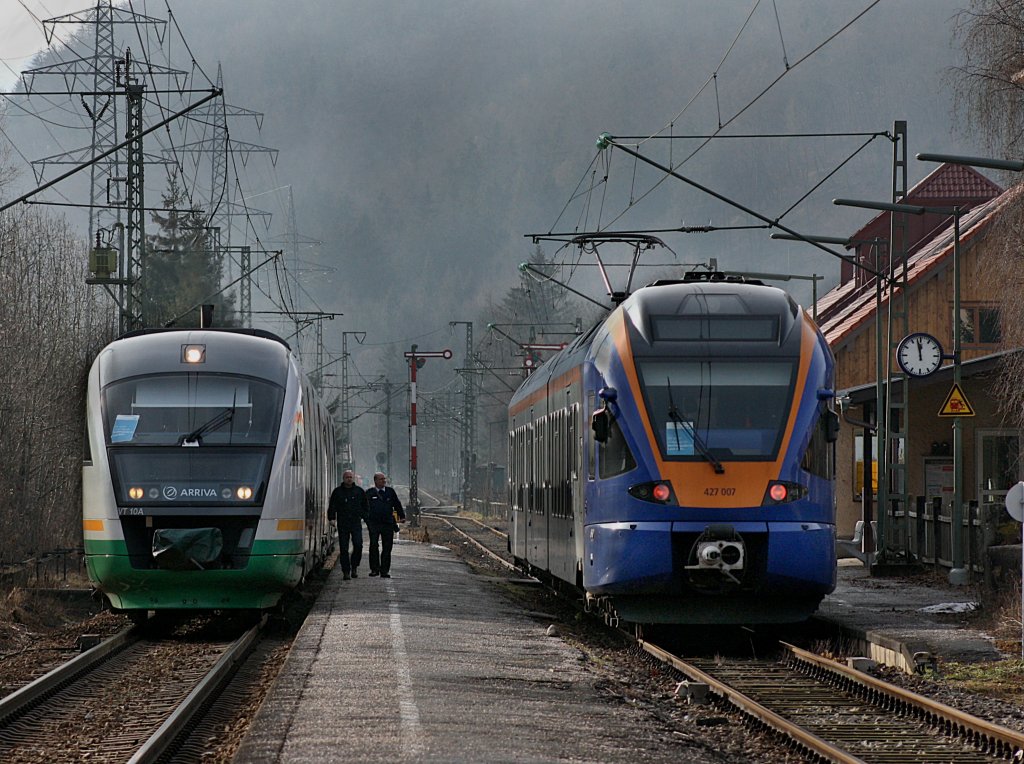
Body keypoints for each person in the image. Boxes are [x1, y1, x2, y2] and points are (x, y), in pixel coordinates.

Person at [328, 469, 368, 580]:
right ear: (343, 478)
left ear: (353, 478)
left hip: (355, 522)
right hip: (343, 523)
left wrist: (365, 517)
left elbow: (365, 505)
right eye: (347, 477)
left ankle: (354, 565)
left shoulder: (359, 491)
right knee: (344, 548)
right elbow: (332, 505)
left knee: (358, 544)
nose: (349, 479)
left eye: (350, 477)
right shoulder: (337, 492)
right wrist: (331, 518)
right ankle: (346, 571)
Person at [365, 472, 404, 578]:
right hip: (374, 523)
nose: (384, 481)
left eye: (384, 479)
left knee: (387, 547)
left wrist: (402, 516)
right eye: (381, 479)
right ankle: (374, 569)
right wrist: (366, 519)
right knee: (373, 546)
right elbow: (364, 507)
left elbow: (397, 504)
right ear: (375, 481)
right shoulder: (369, 493)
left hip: (387, 523)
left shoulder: (390, 492)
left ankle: (384, 570)